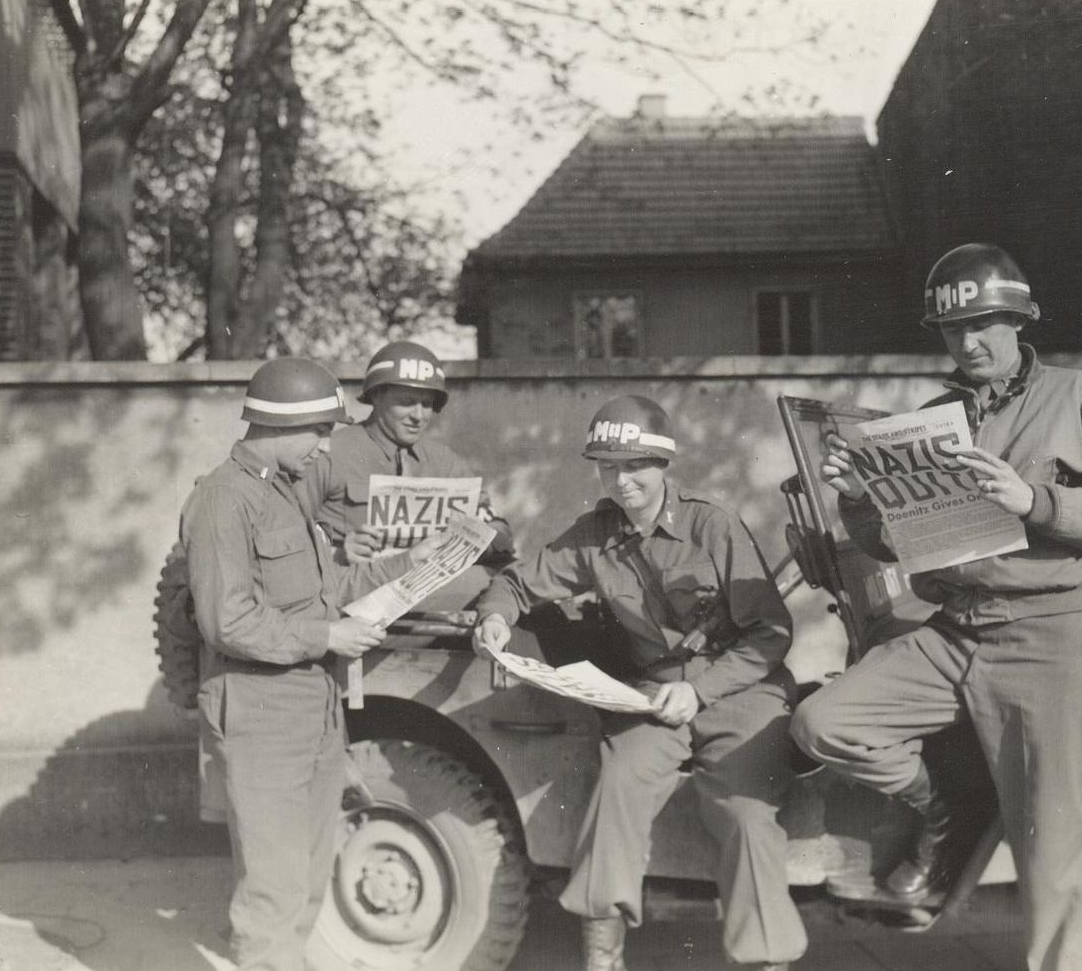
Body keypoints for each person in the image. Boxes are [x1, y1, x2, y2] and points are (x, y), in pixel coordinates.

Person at [791, 243, 1082, 971]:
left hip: (1050, 637)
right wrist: (860, 499)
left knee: (1051, 862)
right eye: (955, 330)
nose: (970, 341)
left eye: (988, 324)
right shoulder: (934, 416)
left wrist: (1035, 501)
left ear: (1019, 322)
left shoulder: (1079, 395)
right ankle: (946, 807)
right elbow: (897, 546)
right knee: (824, 721)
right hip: (955, 632)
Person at [471, 395, 807, 971]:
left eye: (634, 467)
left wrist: (701, 691)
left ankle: (764, 961)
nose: (621, 481)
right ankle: (604, 959)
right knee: (618, 783)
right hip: (654, 697)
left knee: (747, 816)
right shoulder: (596, 534)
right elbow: (519, 584)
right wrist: (494, 618)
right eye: (609, 467)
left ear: (663, 465)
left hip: (741, 693)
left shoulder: (711, 525)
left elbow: (771, 632)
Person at [181, 357, 438, 971]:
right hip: (259, 706)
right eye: (321, 432)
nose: (327, 448)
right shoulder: (224, 499)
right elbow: (226, 620)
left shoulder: (286, 492)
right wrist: (326, 637)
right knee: (273, 886)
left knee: (308, 875)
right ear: (281, 425)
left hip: (312, 707)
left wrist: (414, 560)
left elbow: (330, 589)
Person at [299, 340, 512, 575]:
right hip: (354, 589)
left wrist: (482, 538)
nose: (419, 416)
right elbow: (283, 534)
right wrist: (336, 553)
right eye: (407, 402)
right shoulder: (330, 453)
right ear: (376, 396)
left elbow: (497, 528)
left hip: (434, 591)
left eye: (427, 404)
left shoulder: (445, 461)